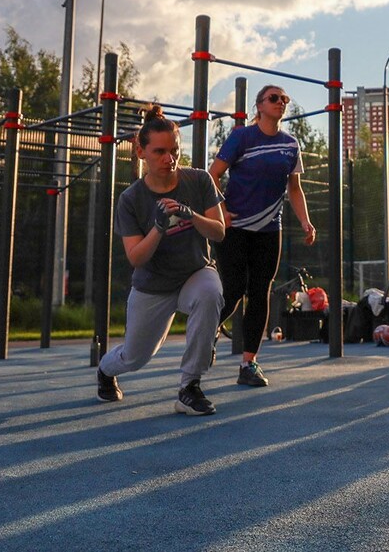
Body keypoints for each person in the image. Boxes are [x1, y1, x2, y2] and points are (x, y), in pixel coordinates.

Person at [97, 106, 226, 415]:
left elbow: (219, 232)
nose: (169, 158)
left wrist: (190, 215)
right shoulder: (130, 199)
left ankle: (189, 387)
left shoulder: (199, 180)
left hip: (194, 273)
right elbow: (136, 257)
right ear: (141, 152)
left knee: (210, 293)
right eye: (160, 152)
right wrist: (158, 227)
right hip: (153, 286)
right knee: (135, 357)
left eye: (174, 151)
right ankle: (105, 370)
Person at [208, 84, 316, 387]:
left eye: (284, 99)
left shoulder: (290, 145)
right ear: (260, 106)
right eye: (274, 98)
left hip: (269, 230)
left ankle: (248, 363)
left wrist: (306, 222)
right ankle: (206, 331)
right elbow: (212, 175)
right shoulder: (242, 137)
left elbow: (294, 188)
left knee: (259, 292)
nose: (281, 102)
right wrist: (222, 211)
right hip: (235, 228)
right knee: (233, 290)